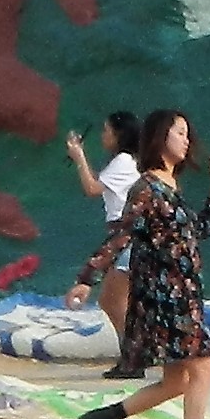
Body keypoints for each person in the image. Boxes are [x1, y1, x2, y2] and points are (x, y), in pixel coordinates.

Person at [77, 109, 210, 419]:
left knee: (178, 380)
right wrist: (87, 278)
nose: (187, 140)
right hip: (166, 295)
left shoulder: (169, 185)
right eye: (180, 133)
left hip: (182, 291)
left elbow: (197, 231)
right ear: (162, 137)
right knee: (203, 365)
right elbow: (121, 234)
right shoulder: (147, 187)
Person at [64, 110, 144, 374]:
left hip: (125, 236)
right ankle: (132, 356)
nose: (103, 136)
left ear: (119, 135)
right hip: (125, 235)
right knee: (114, 300)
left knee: (114, 300)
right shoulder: (129, 161)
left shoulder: (122, 161)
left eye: (107, 131)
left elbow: (92, 188)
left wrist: (79, 156)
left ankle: (134, 357)